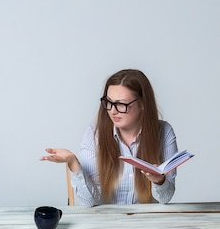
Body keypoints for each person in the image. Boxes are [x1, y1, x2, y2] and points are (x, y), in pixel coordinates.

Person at [41, 69, 178, 206]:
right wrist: (73, 162)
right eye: (109, 102)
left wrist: (159, 181)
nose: (112, 111)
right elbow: (90, 201)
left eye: (121, 104)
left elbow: (165, 198)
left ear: (142, 104)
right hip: (105, 222)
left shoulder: (164, 132)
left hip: (144, 223)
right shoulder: (94, 135)